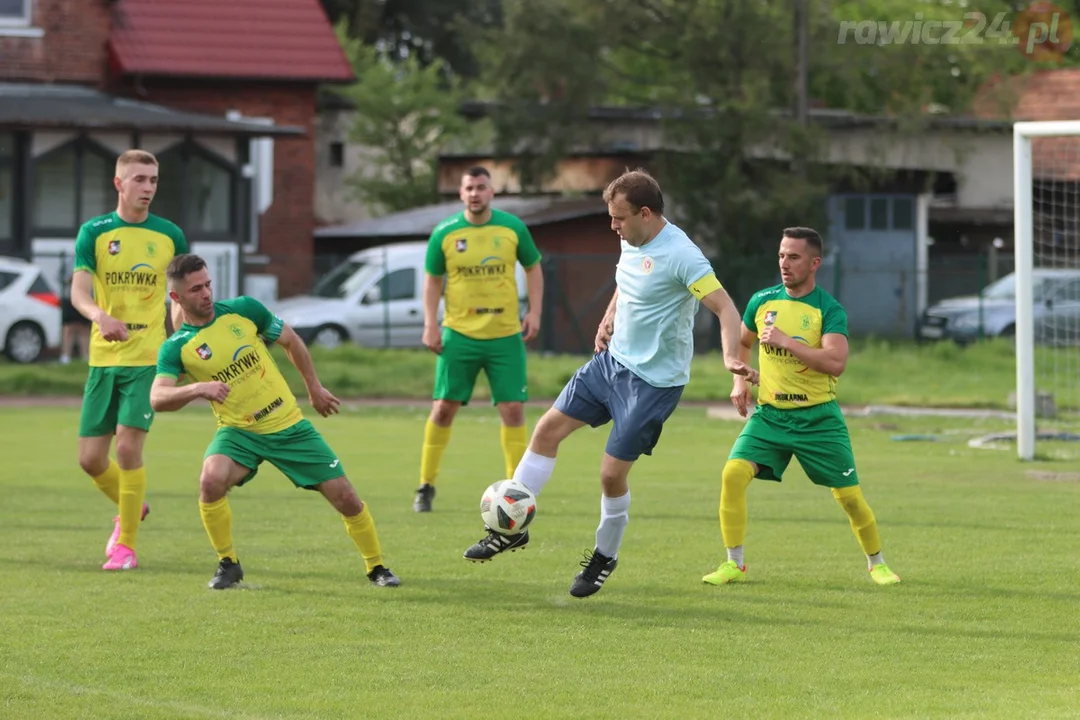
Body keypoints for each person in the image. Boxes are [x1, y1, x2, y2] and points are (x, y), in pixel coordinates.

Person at [462, 168, 758, 598]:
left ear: (644, 213)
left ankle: (604, 557)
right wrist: (608, 315)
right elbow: (626, 280)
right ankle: (511, 529)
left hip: (653, 383)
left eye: (618, 218)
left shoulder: (683, 255)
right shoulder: (630, 238)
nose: (612, 226)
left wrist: (732, 359)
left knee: (609, 475)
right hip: (610, 362)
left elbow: (727, 309)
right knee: (546, 430)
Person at [151, 254, 400, 590]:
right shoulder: (177, 348)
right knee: (210, 482)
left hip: (288, 425)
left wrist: (314, 388)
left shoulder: (244, 310)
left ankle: (377, 567)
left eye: (208, 284)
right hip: (239, 432)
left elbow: (291, 341)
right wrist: (198, 388)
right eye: (196, 289)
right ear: (177, 298)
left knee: (346, 498)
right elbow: (158, 398)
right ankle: (228, 563)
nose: (207, 293)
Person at [701, 227, 901, 587]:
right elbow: (742, 344)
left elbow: (835, 361)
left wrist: (787, 343)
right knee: (732, 474)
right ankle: (734, 563)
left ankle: (878, 564)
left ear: (814, 263)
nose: (784, 263)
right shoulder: (762, 301)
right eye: (781, 255)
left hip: (818, 418)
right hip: (771, 416)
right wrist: (739, 380)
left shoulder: (829, 309)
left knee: (850, 498)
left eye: (793, 257)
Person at [70, 149, 188, 571]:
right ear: (119, 184)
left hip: (148, 359)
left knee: (128, 446)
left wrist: (182, 341)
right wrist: (100, 315)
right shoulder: (94, 232)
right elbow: (79, 292)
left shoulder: (170, 235)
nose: (148, 188)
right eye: (139, 180)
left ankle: (126, 548)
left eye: (153, 180)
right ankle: (131, 502)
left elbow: (180, 299)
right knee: (90, 460)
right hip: (103, 360)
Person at [413, 165, 545, 513]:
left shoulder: (512, 228)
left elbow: (534, 268)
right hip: (459, 335)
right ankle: (425, 486)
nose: (475, 193)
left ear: (492, 192)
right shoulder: (444, 233)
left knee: (513, 409)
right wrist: (431, 323)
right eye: (469, 187)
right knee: (443, 408)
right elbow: (431, 280)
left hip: (504, 335)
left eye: (481, 187)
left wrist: (534, 311)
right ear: (461, 193)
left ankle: (517, 489)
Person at [59, 272, 91, 364]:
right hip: (70, 299)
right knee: (68, 329)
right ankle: (66, 356)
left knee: (83, 329)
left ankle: (85, 355)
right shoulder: (68, 263)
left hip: (85, 297)